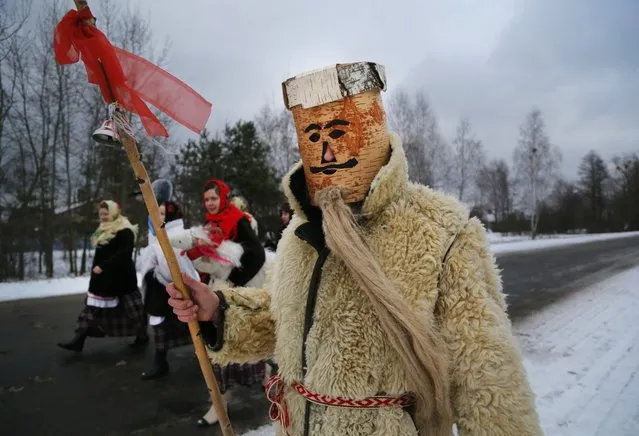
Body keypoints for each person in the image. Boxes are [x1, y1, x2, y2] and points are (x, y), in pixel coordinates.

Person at [167, 62, 541, 436]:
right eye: (313, 138)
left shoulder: (442, 232)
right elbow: (287, 323)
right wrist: (219, 313)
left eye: (339, 132)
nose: (327, 154)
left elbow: (487, 379)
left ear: (373, 126)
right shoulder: (301, 232)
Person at [183, 179, 270, 427]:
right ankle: (219, 402)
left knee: (245, 341)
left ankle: (268, 379)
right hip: (215, 290)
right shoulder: (209, 225)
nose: (210, 203)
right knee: (217, 346)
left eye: (214, 198)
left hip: (237, 291)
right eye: (207, 199)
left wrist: (235, 279)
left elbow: (257, 253)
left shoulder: (238, 219)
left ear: (224, 197)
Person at [58, 200, 147, 352]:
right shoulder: (102, 229)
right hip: (102, 279)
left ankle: (142, 335)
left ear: (114, 213)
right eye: (101, 214)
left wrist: (104, 266)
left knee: (132, 310)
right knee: (93, 308)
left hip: (121, 278)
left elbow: (124, 253)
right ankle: (79, 339)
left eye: (106, 214)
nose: (103, 217)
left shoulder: (124, 230)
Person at [138, 200, 199, 380]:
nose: (158, 217)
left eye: (163, 214)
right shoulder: (158, 234)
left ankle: (208, 361)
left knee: (192, 325)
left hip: (172, 288)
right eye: (156, 213)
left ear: (171, 216)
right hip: (160, 287)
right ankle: (160, 361)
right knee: (163, 325)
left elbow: (182, 267)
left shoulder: (174, 236)